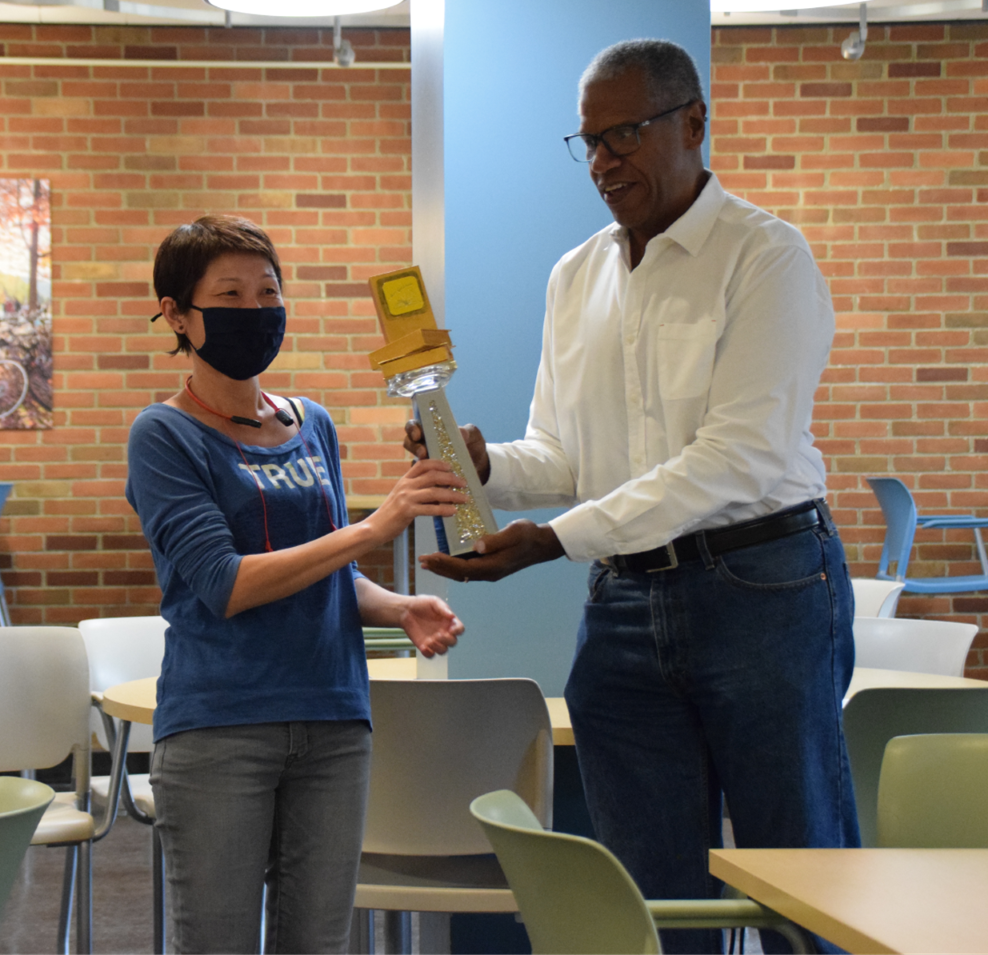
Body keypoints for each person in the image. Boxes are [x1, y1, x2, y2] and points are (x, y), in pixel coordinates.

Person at [407, 40, 859, 955]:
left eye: (625, 135)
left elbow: (733, 457)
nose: (605, 162)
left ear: (694, 123)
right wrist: (487, 465)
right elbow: (568, 452)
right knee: (642, 891)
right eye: (590, 143)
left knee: (799, 877)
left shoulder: (764, 257)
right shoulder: (576, 276)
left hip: (763, 588)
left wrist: (550, 540)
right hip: (624, 605)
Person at [126, 214, 466, 955]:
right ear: (178, 315)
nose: (255, 310)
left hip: (334, 720)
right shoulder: (164, 435)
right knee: (216, 941)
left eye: (267, 291)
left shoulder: (312, 424)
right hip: (222, 725)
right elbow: (225, 582)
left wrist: (396, 603)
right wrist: (377, 530)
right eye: (229, 294)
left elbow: (327, 572)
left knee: (319, 943)